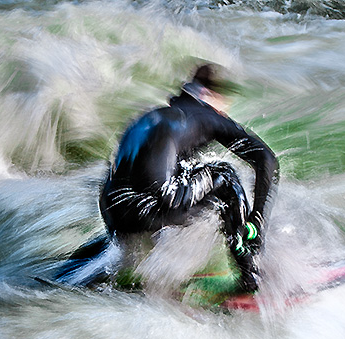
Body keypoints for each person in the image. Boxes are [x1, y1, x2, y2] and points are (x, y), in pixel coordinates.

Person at [58, 64, 278, 293]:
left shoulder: (151, 117)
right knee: (225, 175)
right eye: (223, 102)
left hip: (113, 213)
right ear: (208, 95)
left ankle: (73, 274)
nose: (224, 111)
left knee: (179, 190)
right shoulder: (205, 114)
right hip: (155, 208)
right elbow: (267, 159)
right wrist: (258, 220)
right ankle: (251, 277)